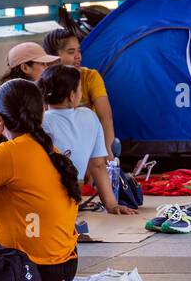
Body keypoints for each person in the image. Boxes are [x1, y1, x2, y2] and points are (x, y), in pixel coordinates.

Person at [0, 79, 82, 281]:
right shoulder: (50, 150)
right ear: (42, 112)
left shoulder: (9, 154)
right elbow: (28, 220)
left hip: (27, 270)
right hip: (64, 269)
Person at [39, 64, 137, 216]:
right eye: (79, 90)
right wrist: (111, 204)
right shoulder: (89, 116)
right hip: (72, 199)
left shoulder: (39, 120)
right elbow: (98, 165)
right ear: (72, 96)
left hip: (41, 199)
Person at [42, 27, 116, 152]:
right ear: (53, 57)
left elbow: (105, 117)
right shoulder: (44, 82)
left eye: (79, 51)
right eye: (71, 52)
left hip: (91, 143)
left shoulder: (90, 77)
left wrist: (107, 151)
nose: (78, 57)